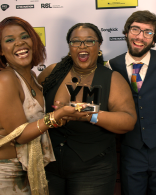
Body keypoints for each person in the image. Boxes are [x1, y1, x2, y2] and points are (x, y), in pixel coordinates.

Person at [0, 16, 84, 195]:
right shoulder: (4, 79)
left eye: (24, 37)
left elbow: (29, 122)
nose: (19, 43)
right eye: (9, 40)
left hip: (23, 170)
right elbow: (20, 135)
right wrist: (56, 117)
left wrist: (60, 115)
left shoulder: (32, 77)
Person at [38, 22, 137, 195]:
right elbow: (28, 106)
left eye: (89, 41)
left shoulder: (111, 78)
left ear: (99, 45)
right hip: (48, 164)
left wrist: (90, 115)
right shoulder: (52, 72)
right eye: (76, 41)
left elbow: (128, 121)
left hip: (93, 169)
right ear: (70, 47)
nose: (82, 46)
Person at [106, 10, 156, 195]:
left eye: (148, 32)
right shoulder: (111, 66)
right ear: (126, 32)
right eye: (135, 29)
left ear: (154, 38)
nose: (140, 37)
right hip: (130, 150)